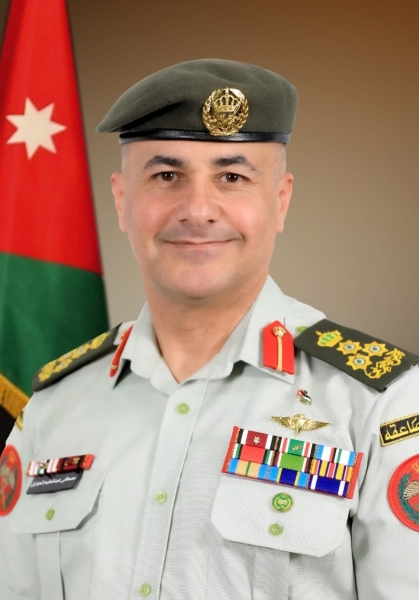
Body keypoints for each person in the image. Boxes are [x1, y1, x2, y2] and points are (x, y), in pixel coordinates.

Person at [0, 59, 418, 600]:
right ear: (123, 200)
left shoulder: (381, 403)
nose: (198, 210)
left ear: (281, 200)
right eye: (166, 176)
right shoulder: (53, 408)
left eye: (232, 177)